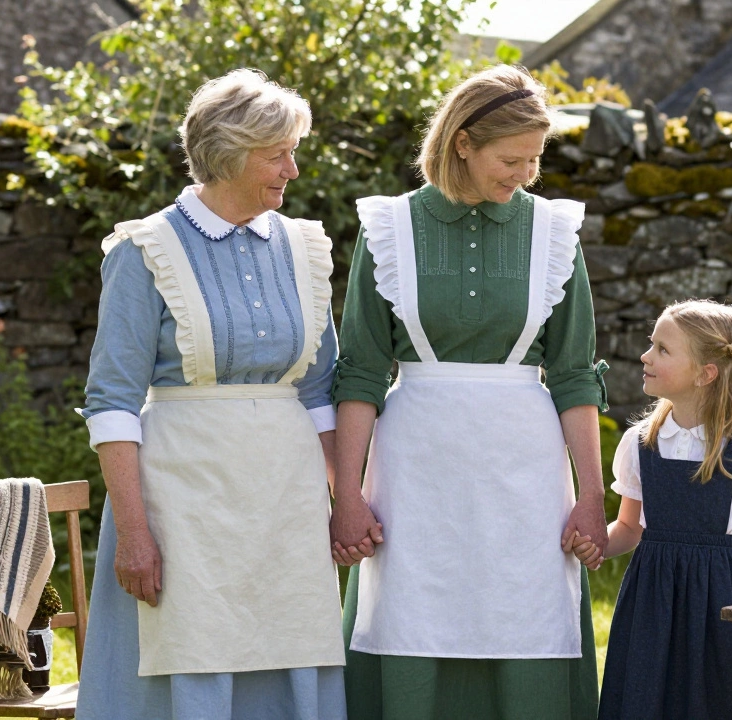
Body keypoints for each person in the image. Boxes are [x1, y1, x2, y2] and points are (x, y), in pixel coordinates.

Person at [329, 64, 609, 720]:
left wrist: (593, 497)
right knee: (409, 620)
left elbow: (574, 374)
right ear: (462, 143)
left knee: (528, 616)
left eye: (535, 160)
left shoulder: (552, 234)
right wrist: (347, 496)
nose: (525, 175)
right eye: (511, 159)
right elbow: (362, 373)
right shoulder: (390, 230)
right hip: (415, 471)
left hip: (525, 472)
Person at [75, 69, 346, 720]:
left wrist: (347, 501)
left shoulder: (303, 248)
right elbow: (112, 401)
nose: (294, 169)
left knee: (290, 647)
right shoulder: (146, 250)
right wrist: (136, 535)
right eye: (278, 153)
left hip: (286, 503)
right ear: (230, 151)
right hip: (181, 503)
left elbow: (319, 391)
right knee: (190, 651)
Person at [577, 299, 732, 720]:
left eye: (663, 350)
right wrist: (595, 546)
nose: (645, 356)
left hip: (723, 608)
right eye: (651, 345)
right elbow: (629, 529)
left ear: (705, 374)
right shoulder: (640, 442)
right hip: (650, 605)